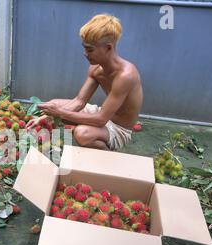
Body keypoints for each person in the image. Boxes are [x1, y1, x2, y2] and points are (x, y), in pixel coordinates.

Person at [26, 13, 143, 151]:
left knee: (82, 134)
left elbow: (100, 120)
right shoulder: (96, 69)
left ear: (108, 48)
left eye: (90, 49)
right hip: (103, 114)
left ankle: (109, 161)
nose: (85, 54)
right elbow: (79, 101)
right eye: (85, 48)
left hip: (119, 128)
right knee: (54, 104)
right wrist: (46, 117)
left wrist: (59, 113)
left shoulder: (126, 76)